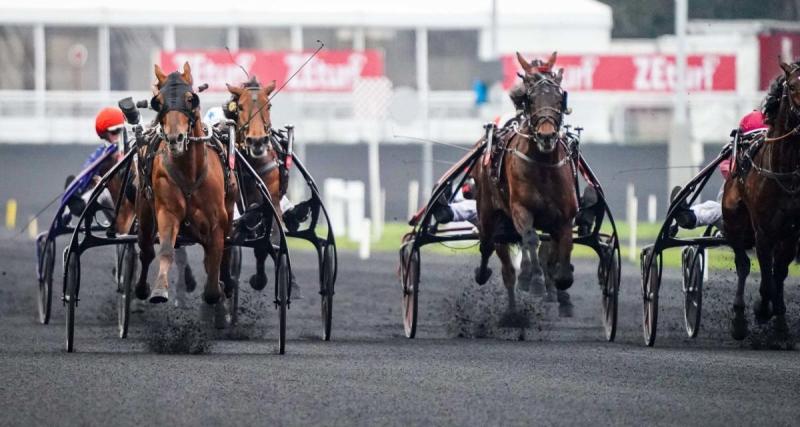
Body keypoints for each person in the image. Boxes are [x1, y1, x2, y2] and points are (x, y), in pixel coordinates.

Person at [671, 110, 768, 230]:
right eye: (751, 143)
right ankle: (688, 216)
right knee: (716, 209)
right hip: (736, 221)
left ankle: (691, 217)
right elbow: (725, 166)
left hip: (763, 225)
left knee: (715, 210)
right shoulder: (736, 158)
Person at [63, 107, 127, 220]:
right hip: (118, 210)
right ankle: (74, 205)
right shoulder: (101, 154)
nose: (119, 135)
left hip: (135, 201)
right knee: (103, 191)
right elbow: (87, 172)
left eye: (121, 131)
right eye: (114, 132)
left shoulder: (132, 147)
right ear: (105, 134)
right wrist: (95, 179)